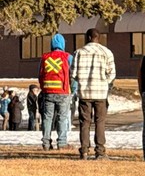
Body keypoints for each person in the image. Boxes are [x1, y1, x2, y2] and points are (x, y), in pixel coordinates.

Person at [71, 28, 116, 160]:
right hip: (101, 93)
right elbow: (112, 73)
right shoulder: (106, 52)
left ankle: (84, 150)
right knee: (100, 121)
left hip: (84, 93)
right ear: (99, 38)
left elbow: (73, 73)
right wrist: (105, 82)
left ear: (88, 37)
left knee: (85, 122)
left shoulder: (78, 53)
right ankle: (100, 151)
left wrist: (81, 81)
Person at [39, 33, 74, 150]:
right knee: (62, 117)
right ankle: (62, 142)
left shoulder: (45, 58)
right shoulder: (68, 57)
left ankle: (46, 143)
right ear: (63, 44)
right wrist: (73, 90)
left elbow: (40, 75)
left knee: (47, 117)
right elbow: (73, 75)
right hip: (63, 92)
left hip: (48, 92)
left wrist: (43, 88)